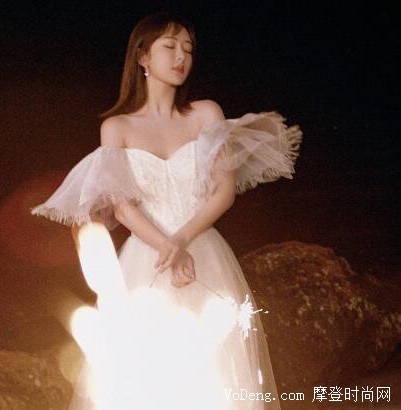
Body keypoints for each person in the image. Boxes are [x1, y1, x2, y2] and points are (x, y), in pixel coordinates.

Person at [31, 11, 301, 410]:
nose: (181, 57)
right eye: (170, 47)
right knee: (145, 376)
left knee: (215, 371)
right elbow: (122, 207)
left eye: (188, 50)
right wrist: (166, 248)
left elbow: (224, 191)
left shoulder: (205, 114)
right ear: (143, 57)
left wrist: (181, 241)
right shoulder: (117, 127)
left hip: (203, 250)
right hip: (147, 260)